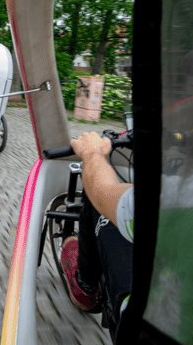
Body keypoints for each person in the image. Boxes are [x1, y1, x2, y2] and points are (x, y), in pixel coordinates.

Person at [60, 132, 134, 331]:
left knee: (98, 203)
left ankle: (85, 286)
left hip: (139, 323)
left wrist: (92, 154)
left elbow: (102, 191)